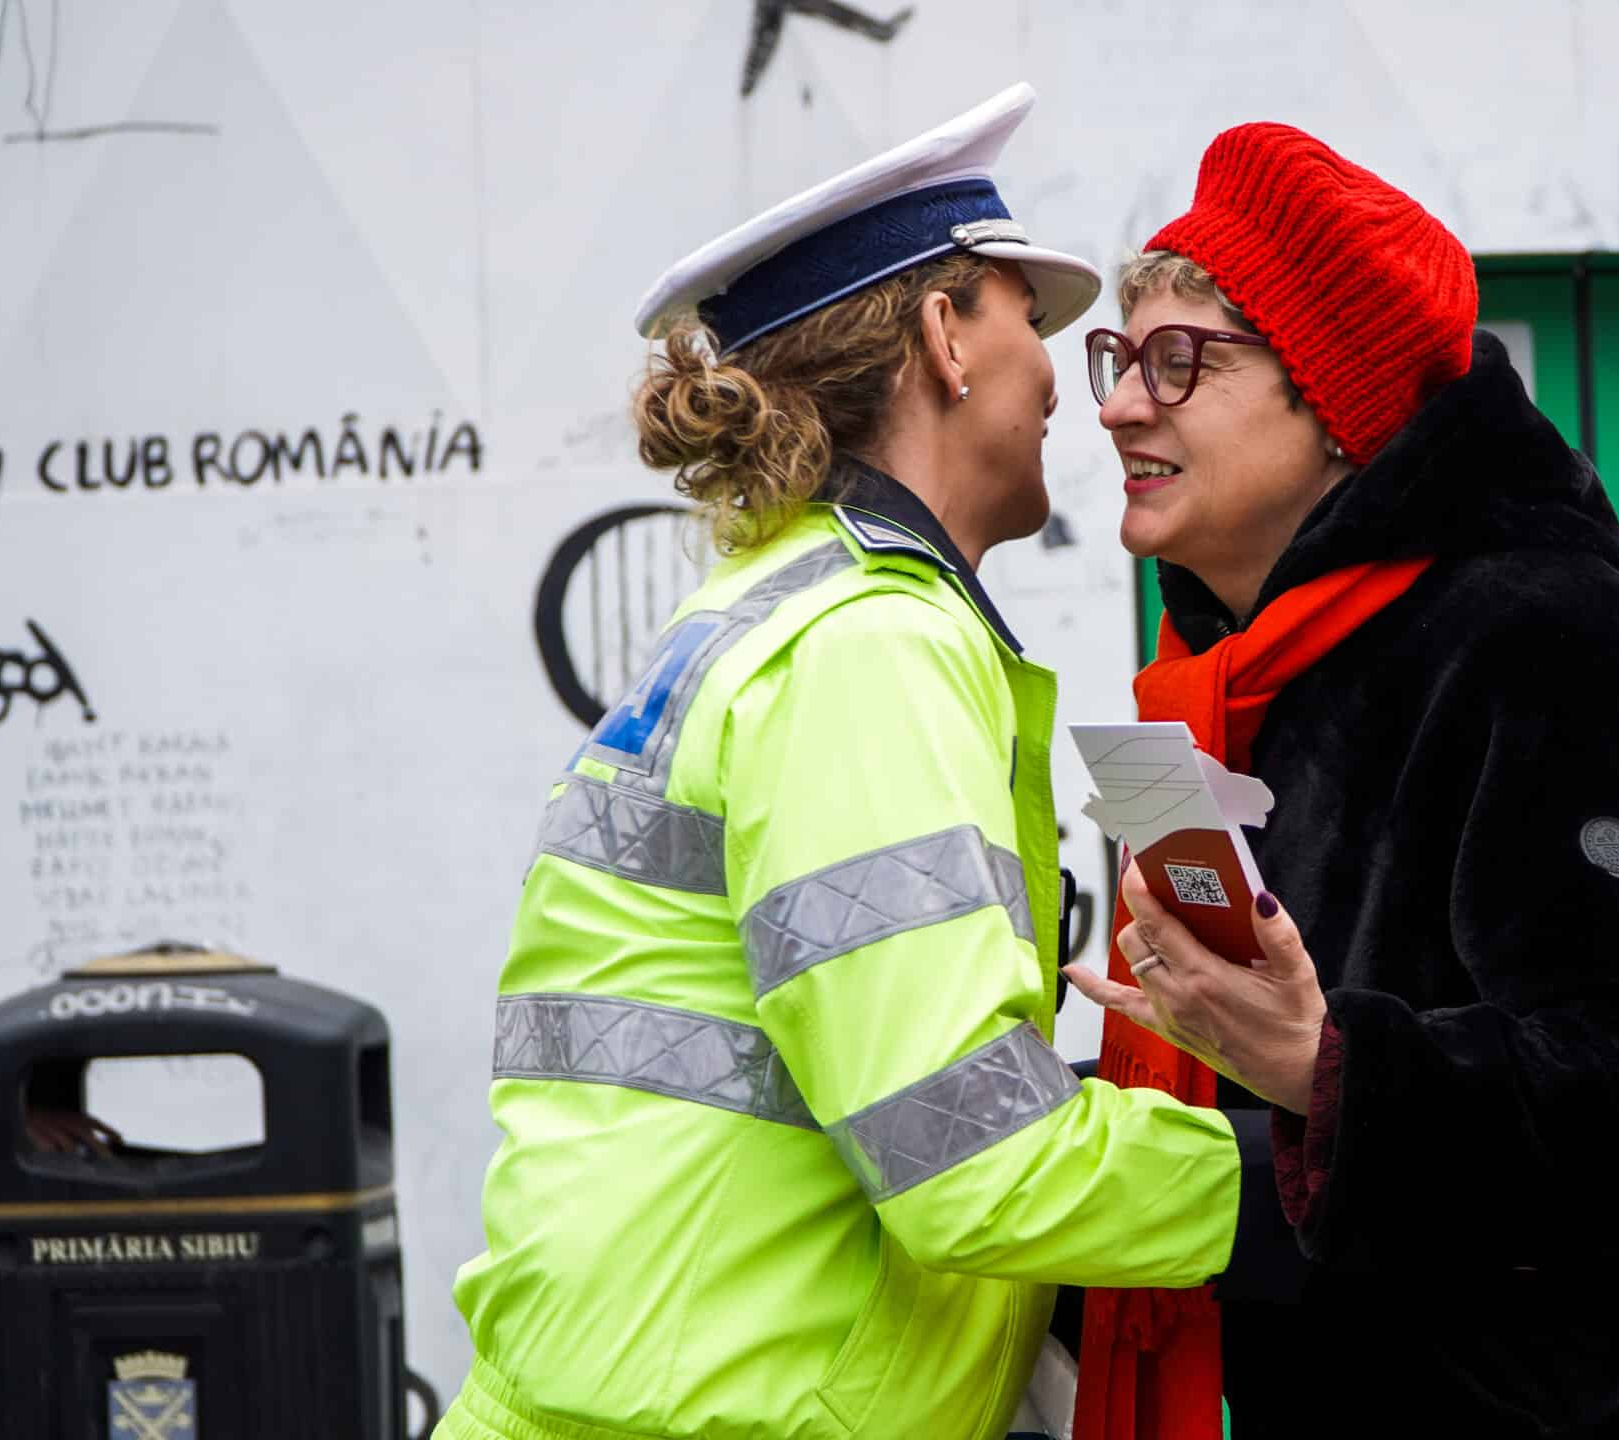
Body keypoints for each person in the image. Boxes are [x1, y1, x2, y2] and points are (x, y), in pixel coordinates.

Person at [1064, 122, 1619, 1437]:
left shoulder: (1546, 649)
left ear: (1332, 403)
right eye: (1120, 358)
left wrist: (1335, 1066)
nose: (1123, 402)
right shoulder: (1218, 684)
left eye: (1182, 359)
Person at [437, 86, 1266, 1440]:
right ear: (945, 335)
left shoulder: (788, 611)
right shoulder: (865, 651)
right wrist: (1306, 1183)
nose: (1074, 382)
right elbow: (973, 1165)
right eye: (1027, 319)